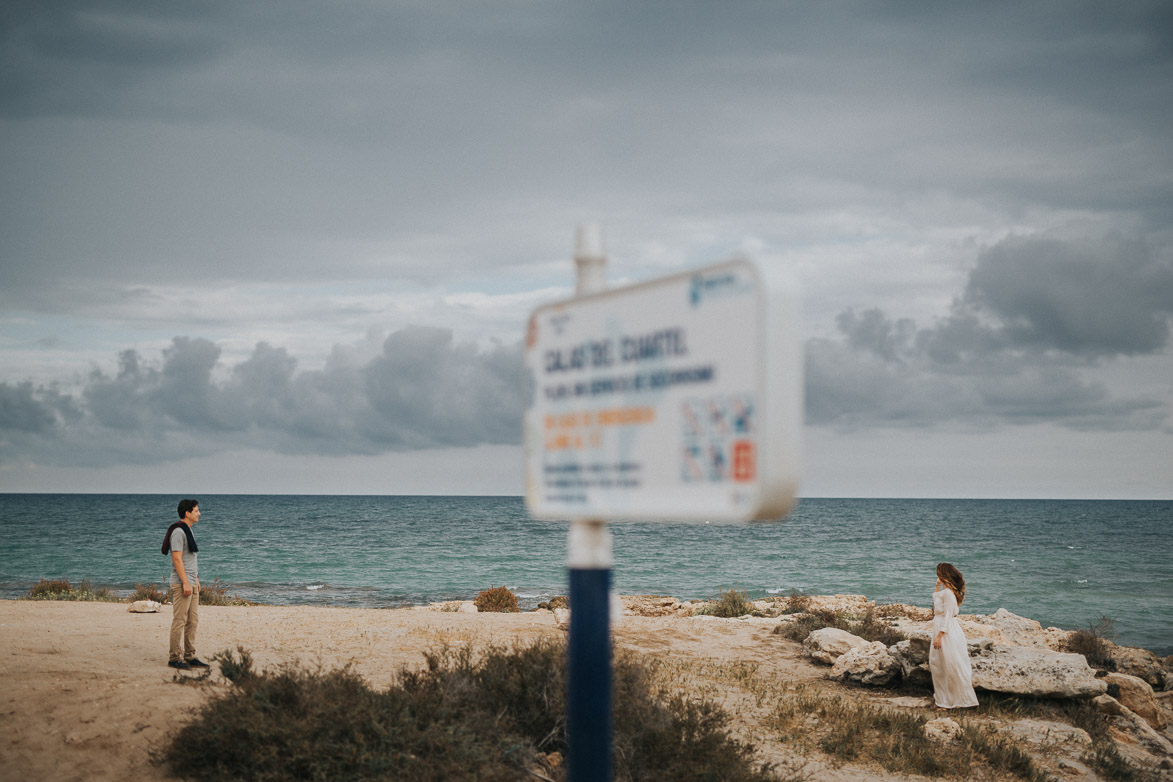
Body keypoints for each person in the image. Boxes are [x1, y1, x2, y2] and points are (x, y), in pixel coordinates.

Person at [162, 499, 209, 670]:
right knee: (180, 620)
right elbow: (177, 559)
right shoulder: (178, 532)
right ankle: (174, 657)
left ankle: (190, 656)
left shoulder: (188, 530)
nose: (199, 513)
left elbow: (190, 559)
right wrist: (185, 583)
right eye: (196, 510)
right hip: (182, 583)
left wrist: (195, 579)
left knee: (193, 620)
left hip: (191, 581)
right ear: (187, 513)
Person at [929, 562, 978, 709]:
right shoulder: (945, 592)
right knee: (938, 664)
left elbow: (948, 616)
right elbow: (937, 602)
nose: (937, 576)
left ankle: (954, 701)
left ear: (943, 575)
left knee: (949, 665)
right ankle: (942, 700)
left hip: (947, 631)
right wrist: (938, 586)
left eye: (939, 574)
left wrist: (939, 636)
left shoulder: (949, 594)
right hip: (940, 628)